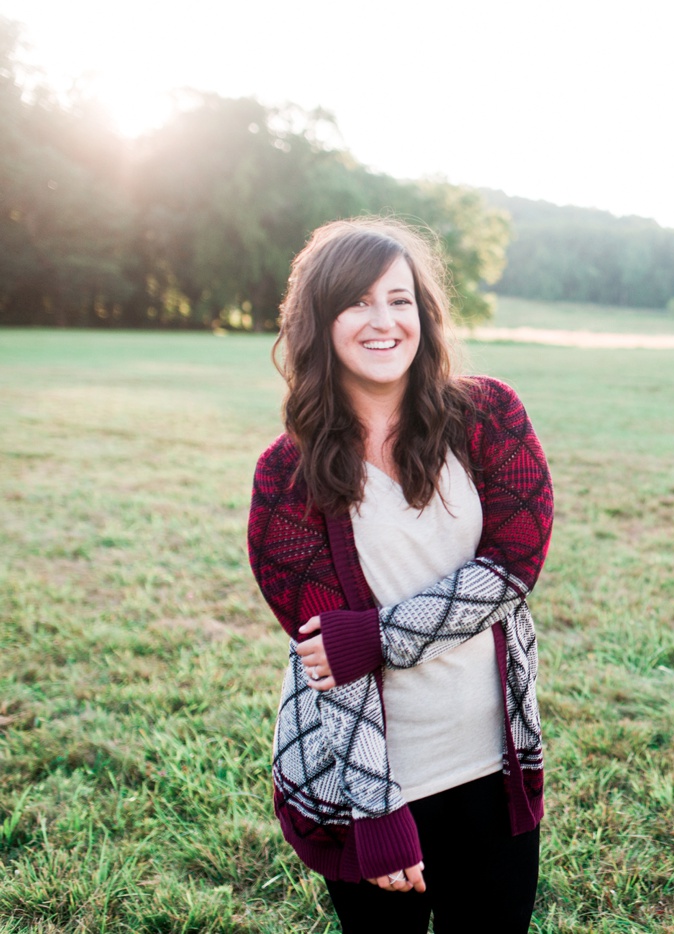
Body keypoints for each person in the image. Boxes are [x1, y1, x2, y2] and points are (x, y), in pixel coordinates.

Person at [246, 217, 552, 933]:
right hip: (371, 779)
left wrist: (378, 635)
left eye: (400, 299)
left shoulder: (489, 416)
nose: (383, 321)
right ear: (318, 323)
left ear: (425, 312)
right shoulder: (285, 475)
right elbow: (328, 658)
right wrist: (375, 811)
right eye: (356, 301)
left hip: (491, 762)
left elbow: (514, 565)